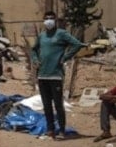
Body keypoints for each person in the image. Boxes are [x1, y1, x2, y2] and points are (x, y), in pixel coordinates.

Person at [30, 11, 84, 140]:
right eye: (46, 18)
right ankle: (50, 129)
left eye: (51, 18)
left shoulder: (61, 34)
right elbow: (33, 49)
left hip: (56, 75)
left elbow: (77, 44)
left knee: (58, 105)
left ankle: (62, 130)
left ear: (55, 20)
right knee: (46, 105)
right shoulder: (42, 36)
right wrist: (35, 60)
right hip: (42, 75)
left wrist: (65, 57)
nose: (48, 20)